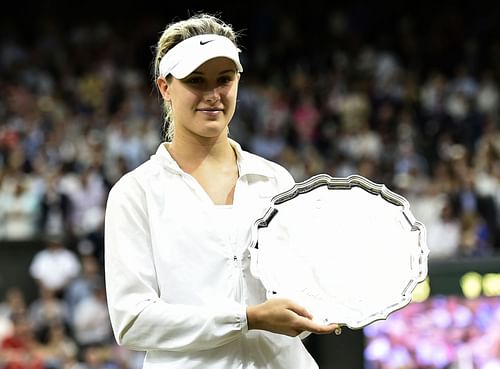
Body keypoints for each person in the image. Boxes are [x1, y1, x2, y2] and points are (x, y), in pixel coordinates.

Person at [104, 12, 338, 369]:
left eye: (224, 79)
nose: (212, 95)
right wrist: (248, 318)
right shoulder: (136, 193)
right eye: (195, 81)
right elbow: (133, 322)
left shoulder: (275, 181)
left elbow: (301, 298)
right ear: (165, 88)